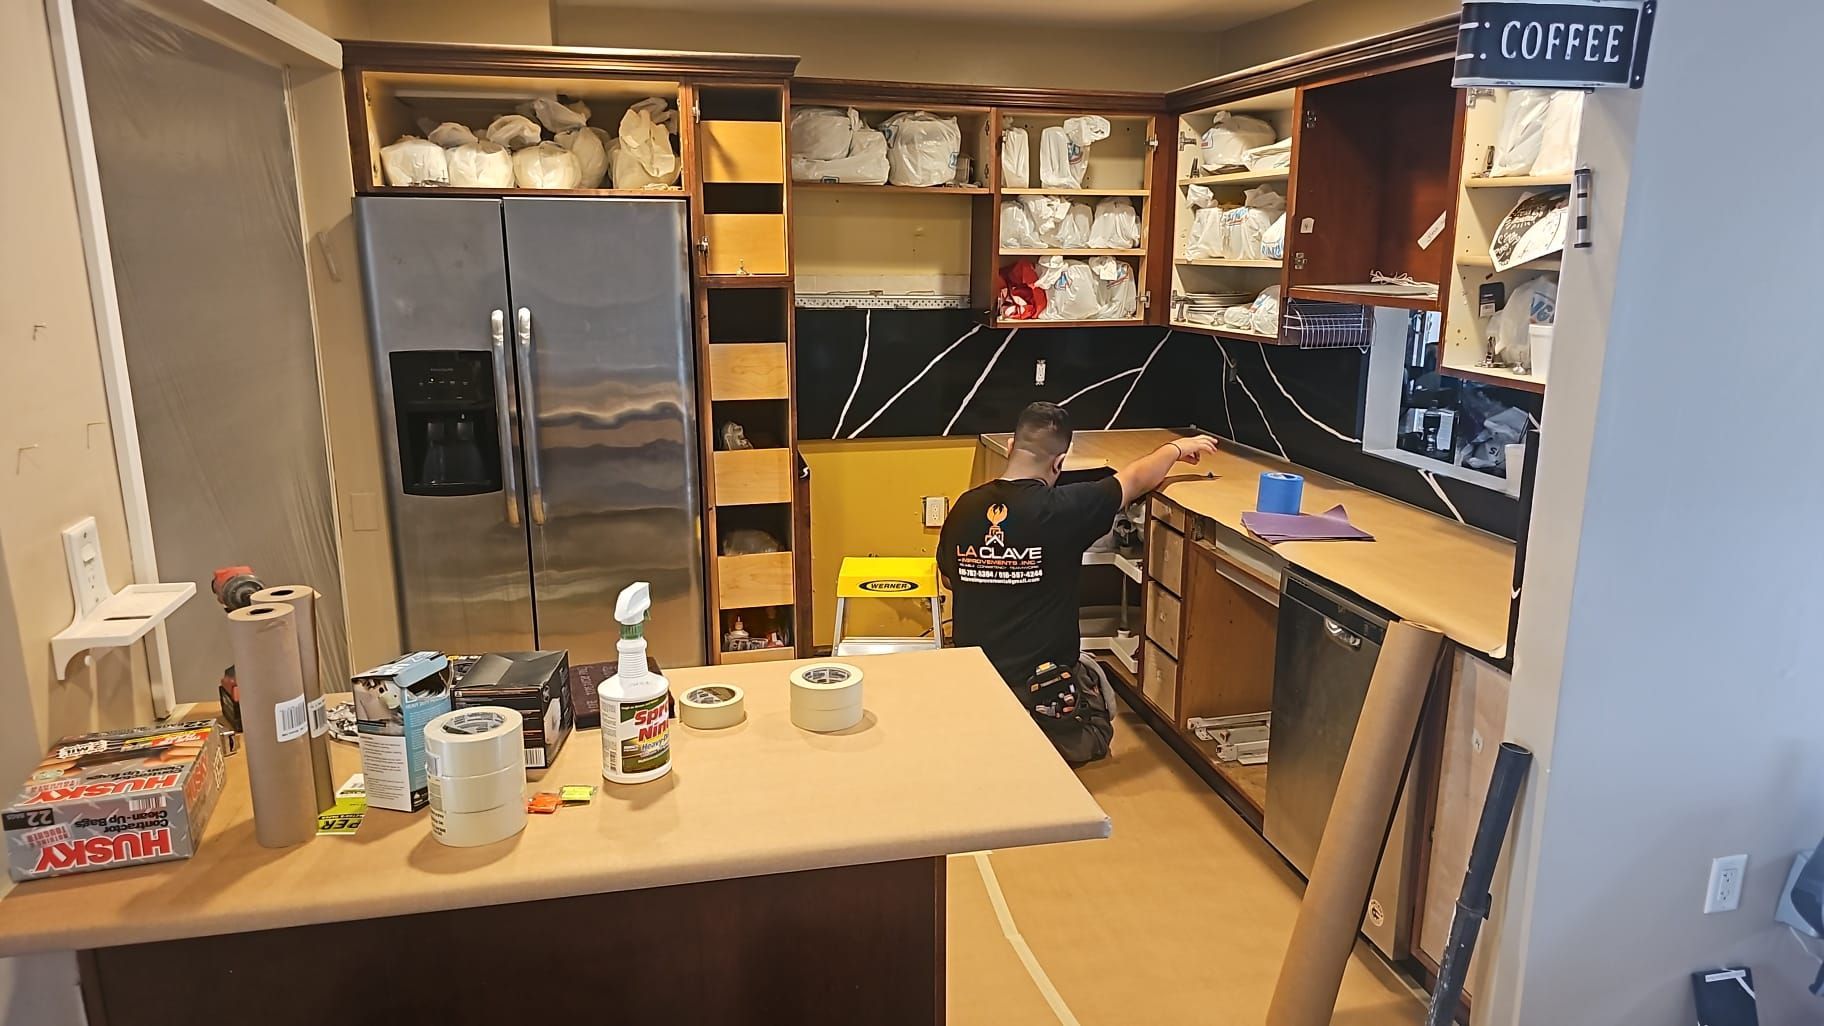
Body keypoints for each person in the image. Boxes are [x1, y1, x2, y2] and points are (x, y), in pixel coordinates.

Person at [939, 403, 1217, 763]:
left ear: (1010, 447)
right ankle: (1039, 736)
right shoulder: (1066, 508)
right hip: (1040, 688)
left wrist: (996, 569)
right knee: (1096, 715)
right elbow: (1134, 479)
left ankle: (996, 733)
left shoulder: (965, 507)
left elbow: (948, 578)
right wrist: (1176, 448)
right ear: (1059, 463)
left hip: (976, 684)